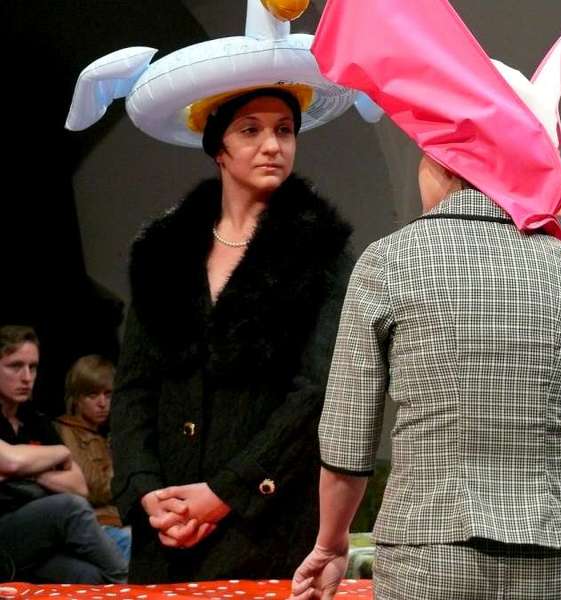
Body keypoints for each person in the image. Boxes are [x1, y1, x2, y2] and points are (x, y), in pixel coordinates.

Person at [292, 2, 561, 597]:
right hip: (554, 565)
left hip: (427, 562)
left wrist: (330, 545)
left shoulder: (387, 263)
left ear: (443, 161)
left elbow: (348, 437)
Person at [111, 85, 353, 582]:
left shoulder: (320, 251)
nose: (272, 145)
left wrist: (226, 491)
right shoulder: (164, 249)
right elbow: (134, 387)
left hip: (264, 524)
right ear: (218, 147)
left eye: (284, 131)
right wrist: (146, 490)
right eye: (250, 130)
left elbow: (317, 394)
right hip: (167, 526)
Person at [0, 325, 127, 583]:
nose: (27, 377)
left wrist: (29, 471)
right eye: (15, 366)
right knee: (69, 507)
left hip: (40, 535)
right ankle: (130, 588)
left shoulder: (35, 421)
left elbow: (79, 486)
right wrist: (56, 455)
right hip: (6, 532)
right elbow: (10, 460)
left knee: (92, 577)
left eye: (33, 367)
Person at [54, 355, 131, 561]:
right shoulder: (66, 431)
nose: (102, 403)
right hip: (97, 525)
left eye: (108, 394)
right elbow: (91, 488)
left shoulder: (105, 436)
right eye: (92, 395)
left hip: (117, 522)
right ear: (77, 398)